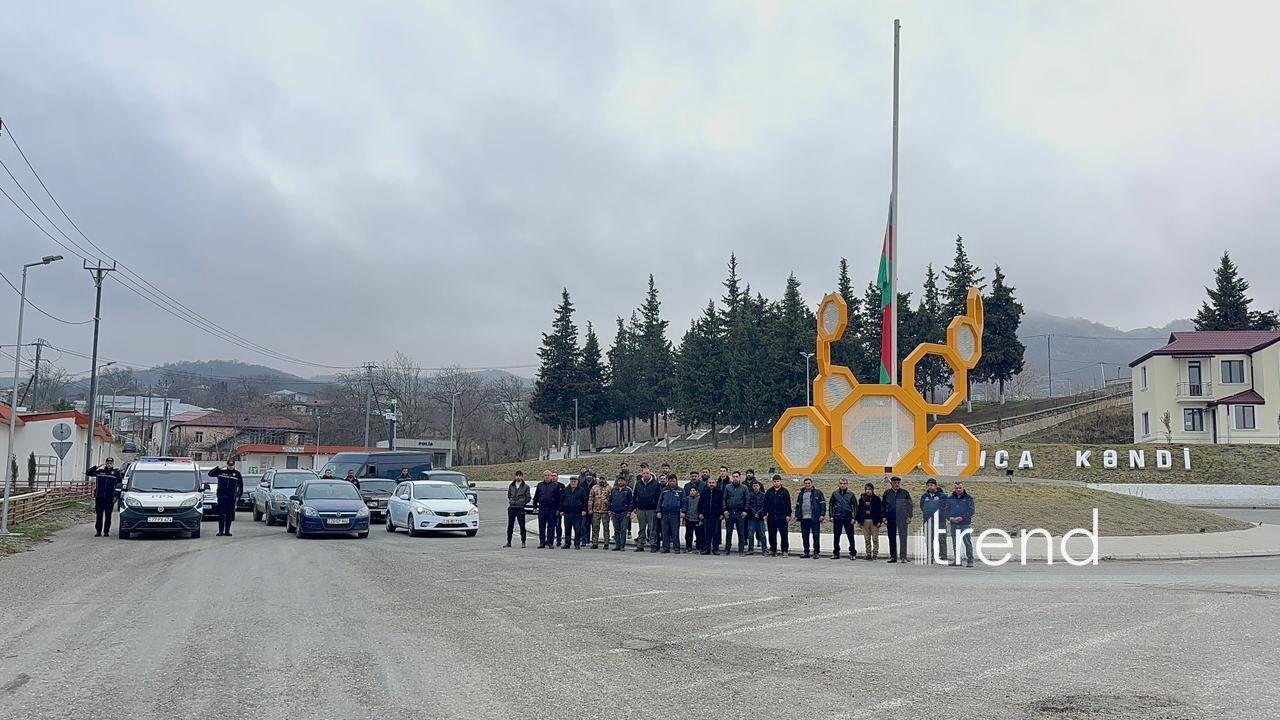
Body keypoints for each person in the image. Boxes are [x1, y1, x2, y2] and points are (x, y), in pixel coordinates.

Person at [86, 457, 123, 537]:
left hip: (110, 498)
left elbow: (119, 485)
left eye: (110, 463)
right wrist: (97, 466)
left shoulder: (116, 473)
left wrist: (116, 496)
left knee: (108, 515)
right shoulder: (100, 472)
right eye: (107, 463)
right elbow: (88, 473)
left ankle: (106, 531)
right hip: (100, 497)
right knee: (99, 515)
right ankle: (98, 531)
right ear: (105, 463)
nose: (109, 464)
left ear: (113, 464)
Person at [208, 459, 243, 537]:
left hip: (231, 498)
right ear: (227, 465)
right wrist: (219, 467)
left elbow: (241, 486)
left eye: (232, 465)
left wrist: (238, 497)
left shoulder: (237, 474)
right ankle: (220, 531)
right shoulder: (221, 473)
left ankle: (227, 531)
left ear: (234, 465)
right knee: (221, 514)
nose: (230, 467)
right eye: (229, 465)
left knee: (229, 515)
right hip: (222, 497)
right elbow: (210, 474)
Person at [882, 476, 914, 563]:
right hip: (891, 518)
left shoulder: (905, 493)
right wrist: (884, 517)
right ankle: (893, 557)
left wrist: (909, 516)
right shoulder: (887, 493)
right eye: (895, 483)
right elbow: (883, 506)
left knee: (903, 537)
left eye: (898, 483)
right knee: (891, 537)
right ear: (891, 483)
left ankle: (903, 556)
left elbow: (910, 505)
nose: (897, 484)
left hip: (902, 518)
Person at [631, 464, 662, 553]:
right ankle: (640, 545)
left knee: (652, 529)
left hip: (651, 510)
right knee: (641, 528)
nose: (646, 475)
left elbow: (658, 497)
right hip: (640, 509)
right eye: (644, 473)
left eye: (647, 473)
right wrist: (634, 507)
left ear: (650, 474)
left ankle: (653, 545)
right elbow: (635, 495)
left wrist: (657, 509)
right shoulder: (638, 483)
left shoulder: (656, 484)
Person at [919, 478, 950, 564]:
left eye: (931, 485)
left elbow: (946, 506)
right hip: (928, 521)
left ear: (936, 486)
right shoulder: (924, 496)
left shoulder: (942, 496)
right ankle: (930, 557)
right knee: (929, 540)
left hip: (940, 521)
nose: (930, 487)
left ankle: (943, 557)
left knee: (942, 539)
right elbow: (922, 506)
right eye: (928, 485)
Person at [795, 477, 825, 559]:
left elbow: (822, 504)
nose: (807, 485)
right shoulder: (801, 494)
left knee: (816, 535)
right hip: (804, 518)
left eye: (809, 483)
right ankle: (806, 552)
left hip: (814, 517)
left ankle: (816, 552)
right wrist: (797, 515)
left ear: (812, 483)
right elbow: (798, 505)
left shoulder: (818, 493)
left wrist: (822, 514)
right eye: (806, 483)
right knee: (805, 536)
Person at [533, 470, 564, 549]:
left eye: (549, 475)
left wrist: (558, 509)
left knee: (551, 527)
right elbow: (536, 497)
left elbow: (559, 499)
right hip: (542, 509)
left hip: (552, 509)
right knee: (541, 527)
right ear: (543, 476)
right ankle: (542, 542)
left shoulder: (555, 486)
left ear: (551, 476)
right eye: (545, 475)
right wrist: (535, 507)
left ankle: (550, 542)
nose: (547, 477)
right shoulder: (540, 485)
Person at [948, 481, 976, 567]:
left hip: (965, 524)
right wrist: (950, 518)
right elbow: (946, 510)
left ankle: (970, 560)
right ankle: (957, 561)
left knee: (967, 542)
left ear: (963, 487)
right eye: (956, 488)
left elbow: (971, 510)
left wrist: (962, 518)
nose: (958, 489)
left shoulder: (969, 498)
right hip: (954, 524)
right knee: (955, 543)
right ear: (954, 488)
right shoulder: (950, 498)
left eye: (960, 488)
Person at [829, 477, 858, 560]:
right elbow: (831, 505)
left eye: (844, 483)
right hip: (837, 517)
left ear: (847, 484)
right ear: (838, 484)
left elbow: (855, 506)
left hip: (848, 518)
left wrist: (854, 518)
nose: (842, 485)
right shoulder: (835, 494)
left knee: (850, 536)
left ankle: (852, 553)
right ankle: (836, 553)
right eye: (841, 483)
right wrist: (831, 516)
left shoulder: (851, 494)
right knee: (836, 536)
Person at [763, 475, 792, 557]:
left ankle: (785, 550)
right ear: (773, 482)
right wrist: (765, 514)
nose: (776, 483)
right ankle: (773, 550)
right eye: (775, 481)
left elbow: (788, 504)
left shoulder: (785, 491)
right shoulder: (769, 491)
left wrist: (788, 515)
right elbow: (765, 504)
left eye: (778, 481)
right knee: (772, 534)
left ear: (780, 481)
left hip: (782, 516)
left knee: (784, 534)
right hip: (771, 516)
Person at [722, 470, 749, 556]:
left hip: (740, 513)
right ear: (731, 478)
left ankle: (741, 550)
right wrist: (725, 510)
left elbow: (747, 500)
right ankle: (727, 549)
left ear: (740, 477)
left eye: (737, 476)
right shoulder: (727, 487)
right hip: (729, 513)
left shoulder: (744, 488)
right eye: (733, 477)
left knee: (741, 533)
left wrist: (745, 511)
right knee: (729, 532)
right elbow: (724, 499)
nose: (735, 478)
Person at [657, 475, 685, 554]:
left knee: (675, 532)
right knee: (665, 532)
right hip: (665, 514)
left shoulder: (680, 491)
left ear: (676, 481)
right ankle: (665, 548)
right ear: (668, 481)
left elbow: (684, 502)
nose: (672, 483)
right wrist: (658, 511)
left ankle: (676, 548)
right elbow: (660, 501)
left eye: (673, 481)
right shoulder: (664, 490)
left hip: (675, 514)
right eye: (670, 481)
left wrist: (683, 511)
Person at [855, 483, 883, 561]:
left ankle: (875, 554)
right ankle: (868, 554)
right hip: (864, 521)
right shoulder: (862, 499)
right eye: (866, 489)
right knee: (867, 539)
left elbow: (880, 511)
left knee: (875, 539)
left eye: (869, 489)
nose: (868, 491)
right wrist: (859, 521)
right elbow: (859, 510)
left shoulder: (877, 499)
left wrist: (879, 521)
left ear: (872, 490)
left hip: (874, 521)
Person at [697, 475, 725, 555]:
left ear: (716, 483)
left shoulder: (720, 492)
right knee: (706, 533)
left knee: (716, 533)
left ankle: (715, 549)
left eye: (713, 483)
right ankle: (707, 549)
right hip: (706, 516)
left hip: (716, 516)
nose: (711, 484)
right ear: (707, 483)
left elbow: (722, 504)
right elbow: (700, 504)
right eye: (710, 483)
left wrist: (722, 514)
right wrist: (700, 513)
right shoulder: (704, 492)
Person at [559, 475, 588, 549]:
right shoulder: (565, 490)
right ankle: (567, 543)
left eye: (574, 481)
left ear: (577, 482)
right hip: (567, 512)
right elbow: (561, 500)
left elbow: (584, 500)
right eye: (572, 481)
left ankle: (577, 544)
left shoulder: (581, 490)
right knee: (567, 529)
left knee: (577, 529)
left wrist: (584, 510)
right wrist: (561, 510)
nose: (573, 483)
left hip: (577, 512)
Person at [505, 471, 530, 547]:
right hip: (512, 508)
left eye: (520, 476)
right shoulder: (511, 485)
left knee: (522, 525)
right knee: (510, 526)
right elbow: (509, 495)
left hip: (520, 508)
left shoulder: (526, 486)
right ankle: (509, 542)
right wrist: (511, 501)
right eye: (517, 476)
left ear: (522, 477)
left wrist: (522, 502)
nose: (518, 477)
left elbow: (528, 497)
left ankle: (523, 542)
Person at [608, 476, 634, 551]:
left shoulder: (628, 490)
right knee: (616, 530)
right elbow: (610, 500)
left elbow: (631, 502)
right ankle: (617, 545)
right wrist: (609, 510)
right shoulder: (614, 490)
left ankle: (622, 546)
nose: (620, 482)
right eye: (619, 480)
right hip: (614, 512)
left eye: (622, 480)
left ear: (625, 482)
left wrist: (629, 511)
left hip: (624, 513)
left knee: (623, 530)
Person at [588, 473, 612, 549]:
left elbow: (612, 500)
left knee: (606, 528)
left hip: (605, 511)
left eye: (603, 479)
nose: (601, 480)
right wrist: (590, 509)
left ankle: (606, 543)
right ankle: (594, 543)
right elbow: (591, 499)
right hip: (595, 511)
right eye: (600, 479)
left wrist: (609, 507)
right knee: (595, 528)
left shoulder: (609, 488)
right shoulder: (594, 487)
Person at [745, 479, 767, 555]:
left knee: (762, 534)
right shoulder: (749, 495)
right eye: (754, 486)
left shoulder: (763, 495)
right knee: (750, 534)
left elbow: (765, 506)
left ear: (760, 486)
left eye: (757, 486)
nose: (755, 487)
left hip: (760, 518)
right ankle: (750, 549)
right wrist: (754, 513)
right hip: (751, 517)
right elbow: (748, 505)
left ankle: (764, 550)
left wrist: (759, 513)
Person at [683, 485, 701, 553]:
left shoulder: (699, 498)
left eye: (694, 490)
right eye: (691, 490)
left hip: (696, 519)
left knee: (698, 535)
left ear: (697, 492)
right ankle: (688, 547)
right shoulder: (687, 498)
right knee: (688, 534)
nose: (692, 492)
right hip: (689, 518)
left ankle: (698, 547)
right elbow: (685, 507)